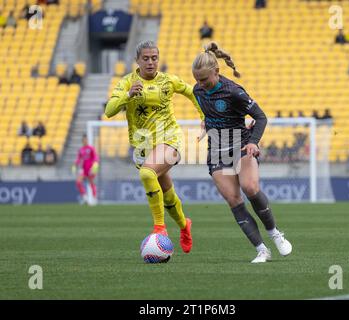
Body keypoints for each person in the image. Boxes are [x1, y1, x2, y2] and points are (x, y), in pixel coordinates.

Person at [192, 42, 292, 263]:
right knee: (234, 200)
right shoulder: (197, 90)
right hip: (217, 150)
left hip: (241, 145)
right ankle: (261, 250)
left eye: (204, 79)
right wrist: (204, 125)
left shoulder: (234, 92)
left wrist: (254, 142)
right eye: (197, 79)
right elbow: (206, 113)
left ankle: (275, 233)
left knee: (250, 187)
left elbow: (261, 117)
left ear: (217, 72)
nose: (200, 84)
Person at [105, 40, 204, 254]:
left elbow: (193, 92)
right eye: (146, 58)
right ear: (137, 61)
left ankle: (160, 228)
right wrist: (128, 94)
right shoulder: (126, 83)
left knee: (147, 174)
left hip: (170, 139)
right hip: (143, 146)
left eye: (154, 58)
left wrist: (204, 116)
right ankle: (185, 226)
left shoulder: (168, 81)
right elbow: (109, 110)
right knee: (167, 193)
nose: (151, 62)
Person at [72, 135, 99, 205]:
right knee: (78, 182)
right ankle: (84, 197)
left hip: (90, 169)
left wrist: (95, 166)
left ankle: (94, 198)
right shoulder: (81, 150)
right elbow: (78, 159)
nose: (85, 141)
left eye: (86, 140)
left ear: (87, 140)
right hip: (84, 169)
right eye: (84, 140)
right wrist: (75, 164)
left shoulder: (91, 148)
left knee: (91, 183)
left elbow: (95, 157)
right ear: (82, 141)